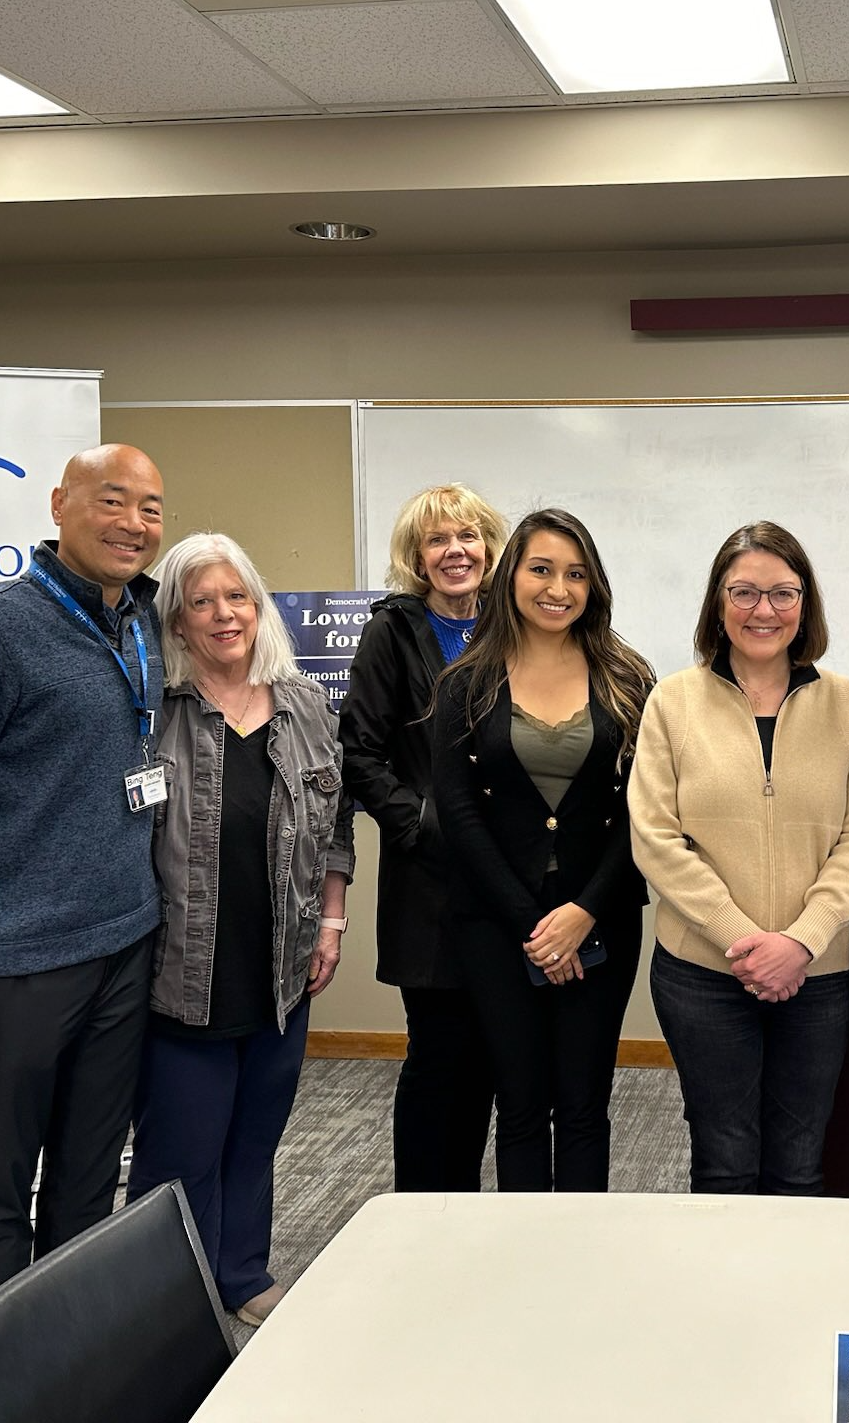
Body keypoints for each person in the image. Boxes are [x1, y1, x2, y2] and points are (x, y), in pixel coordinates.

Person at [0, 443, 167, 1309]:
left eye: (152, 508)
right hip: (13, 963)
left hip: (125, 944)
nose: (134, 523)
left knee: (88, 1189)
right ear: (60, 505)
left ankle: (70, 1367)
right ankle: (0, 1387)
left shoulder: (142, 624)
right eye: (113, 501)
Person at [125, 532, 354, 1326]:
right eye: (202, 602)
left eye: (237, 597)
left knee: (254, 1139)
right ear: (177, 623)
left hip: (282, 966)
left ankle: (242, 1276)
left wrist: (331, 919)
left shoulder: (305, 706)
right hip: (182, 967)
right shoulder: (152, 712)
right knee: (180, 1155)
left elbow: (334, 826)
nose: (225, 615)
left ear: (258, 607)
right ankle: (169, 1304)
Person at [631, 521, 849, 1195]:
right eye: (744, 592)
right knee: (724, 1155)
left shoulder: (846, 703)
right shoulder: (673, 702)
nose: (763, 611)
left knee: (801, 1159)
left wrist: (799, 942)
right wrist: (741, 937)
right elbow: (654, 835)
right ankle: (723, 1297)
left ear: (806, 604)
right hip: (703, 972)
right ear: (718, 602)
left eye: (782, 593)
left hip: (818, 973)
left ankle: (788, 1298)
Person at [429, 508, 654, 1191]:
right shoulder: (465, 683)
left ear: (594, 586)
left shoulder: (626, 677)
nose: (558, 588)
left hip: (602, 919)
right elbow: (459, 815)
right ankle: (524, 1263)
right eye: (542, 569)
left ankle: (583, 1268)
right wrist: (534, 927)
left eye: (576, 574)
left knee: (585, 1107)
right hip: (498, 925)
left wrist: (583, 913)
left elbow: (643, 811)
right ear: (511, 578)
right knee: (521, 1105)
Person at [340, 483, 506, 1192]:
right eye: (436, 541)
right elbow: (359, 751)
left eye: (467, 536)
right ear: (416, 557)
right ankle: (422, 1212)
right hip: (431, 886)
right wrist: (422, 825)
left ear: (490, 549)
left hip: (508, 886)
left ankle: (467, 1212)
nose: (455, 552)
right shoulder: (392, 632)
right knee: (439, 1058)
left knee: (496, 1059)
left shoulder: (516, 627)